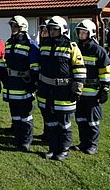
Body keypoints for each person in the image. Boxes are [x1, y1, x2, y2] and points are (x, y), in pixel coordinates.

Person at [37, 16, 86, 161]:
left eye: (55, 29)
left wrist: (77, 89)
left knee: (64, 123)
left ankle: (63, 150)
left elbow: (80, 70)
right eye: (50, 29)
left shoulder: (71, 47)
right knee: (50, 122)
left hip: (63, 92)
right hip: (46, 91)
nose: (52, 32)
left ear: (63, 30)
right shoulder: (44, 45)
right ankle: (53, 148)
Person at [72, 19, 110, 155]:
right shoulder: (76, 48)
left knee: (92, 121)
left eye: (84, 32)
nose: (81, 35)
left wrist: (105, 89)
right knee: (80, 119)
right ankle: (83, 142)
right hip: (79, 91)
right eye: (79, 32)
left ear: (91, 33)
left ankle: (93, 145)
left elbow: (106, 71)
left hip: (93, 92)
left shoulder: (98, 50)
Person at [3, 16, 39, 152]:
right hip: (12, 85)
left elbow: (35, 67)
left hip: (24, 85)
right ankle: (17, 139)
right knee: (15, 116)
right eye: (11, 26)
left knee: (26, 116)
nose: (12, 29)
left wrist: (33, 84)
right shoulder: (9, 43)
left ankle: (26, 142)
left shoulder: (30, 45)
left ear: (22, 28)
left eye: (15, 26)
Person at [35, 19, 50, 141]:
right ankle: (46, 132)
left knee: (51, 111)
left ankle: (50, 134)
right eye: (42, 30)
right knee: (44, 108)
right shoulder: (41, 46)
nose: (43, 32)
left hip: (51, 84)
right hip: (41, 83)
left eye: (45, 30)